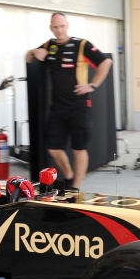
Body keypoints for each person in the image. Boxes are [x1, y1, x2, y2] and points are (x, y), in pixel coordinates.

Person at [25, 12, 112, 191]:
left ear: (67, 25)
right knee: (53, 148)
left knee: (79, 149)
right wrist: (35, 51)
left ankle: (76, 188)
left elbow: (106, 62)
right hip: (58, 107)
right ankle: (70, 176)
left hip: (79, 106)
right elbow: (28, 58)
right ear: (51, 28)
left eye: (62, 26)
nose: (59, 30)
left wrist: (92, 85)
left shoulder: (82, 45)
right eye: (56, 27)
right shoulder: (49, 45)